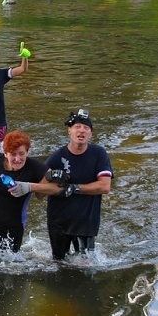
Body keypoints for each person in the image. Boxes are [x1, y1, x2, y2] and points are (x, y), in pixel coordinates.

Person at [0, 130, 58, 260]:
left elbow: (55, 189)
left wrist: (30, 186)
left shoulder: (35, 167)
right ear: (5, 153)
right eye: (13, 154)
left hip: (14, 227)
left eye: (21, 154)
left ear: (27, 152)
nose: (17, 159)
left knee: (10, 266)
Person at [45, 109, 114, 260]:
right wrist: (49, 175)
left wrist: (74, 188)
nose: (81, 130)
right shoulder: (57, 157)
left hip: (85, 221)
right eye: (77, 127)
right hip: (58, 221)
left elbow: (105, 186)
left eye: (86, 128)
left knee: (86, 265)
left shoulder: (98, 154)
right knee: (59, 264)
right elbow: (40, 189)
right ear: (69, 131)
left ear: (91, 133)